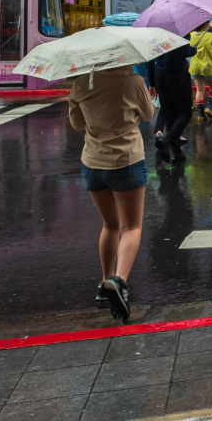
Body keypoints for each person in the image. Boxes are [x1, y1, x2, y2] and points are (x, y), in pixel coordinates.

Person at [68, 64, 155, 323]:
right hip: (127, 161)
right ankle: (120, 280)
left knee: (110, 224)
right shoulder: (133, 80)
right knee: (131, 227)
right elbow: (149, 115)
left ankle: (105, 282)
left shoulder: (82, 83)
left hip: (93, 163)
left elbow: (76, 123)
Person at [147, 40, 196, 163]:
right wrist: (193, 49)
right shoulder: (180, 32)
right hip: (178, 73)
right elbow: (185, 51)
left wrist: (152, 82)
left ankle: (176, 152)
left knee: (169, 113)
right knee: (185, 113)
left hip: (160, 74)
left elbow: (150, 58)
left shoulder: (155, 34)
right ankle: (167, 140)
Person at [188, 21, 212, 122]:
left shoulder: (190, 35)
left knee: (200, 90)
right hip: (209, 66)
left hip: (195, 67)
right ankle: (209, 107)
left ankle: (200, 114)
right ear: (206, 25)